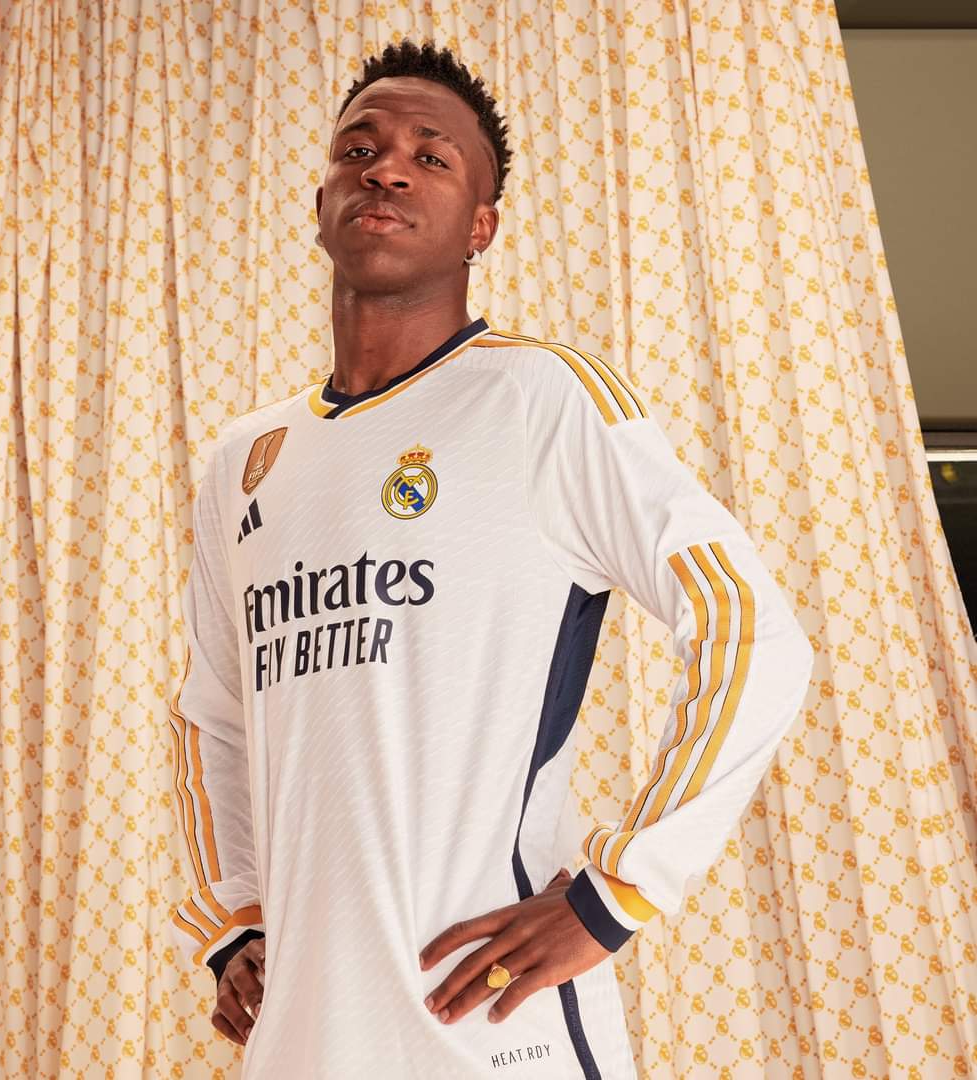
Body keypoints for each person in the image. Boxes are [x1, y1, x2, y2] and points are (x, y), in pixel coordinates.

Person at [167, 38, 813, 1080]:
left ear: (482, 225)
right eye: (359, 149)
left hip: (489, 1025)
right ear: (321, 201)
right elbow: (212, 717)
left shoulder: (542, 398)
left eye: (431, 156)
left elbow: (751, 631)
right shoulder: (245, 461)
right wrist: (235, 916)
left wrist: (616, 894)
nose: (386, 168)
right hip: (303, 1031)